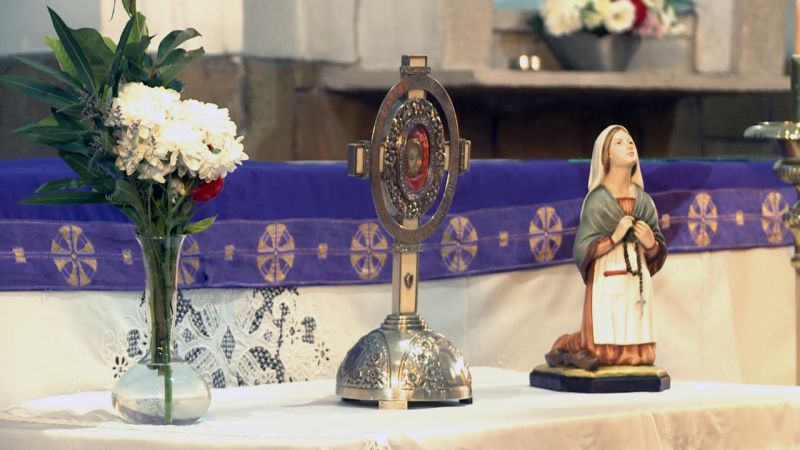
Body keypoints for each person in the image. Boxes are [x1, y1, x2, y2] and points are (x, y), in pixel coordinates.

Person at [546, 125, 667, 370]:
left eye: (630, 141)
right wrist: (614, 237)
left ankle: (633, 354)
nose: (629, 145)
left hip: (637, 276)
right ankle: (567, 346)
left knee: (636, 337)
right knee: (603, 343)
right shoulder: (597, 201)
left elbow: (657, 249)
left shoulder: (644, 201)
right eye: (620, 143)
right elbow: (582, 249)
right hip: (607, 272)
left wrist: (650, 243)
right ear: (607, 155)